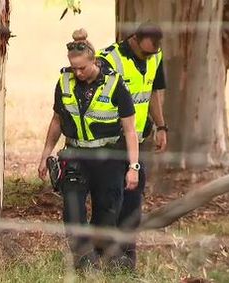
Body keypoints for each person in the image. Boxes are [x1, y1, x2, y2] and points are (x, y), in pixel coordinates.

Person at [38, 28, 141, 270]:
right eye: (74, 68)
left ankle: (106, 256)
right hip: (75, 155)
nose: (78, 72)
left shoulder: (115, 85)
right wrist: (46, 153)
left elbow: (130, 130)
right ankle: (85, 263)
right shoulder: (64, 81)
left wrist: (133, 167)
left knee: (107, 213)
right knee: (73, 213)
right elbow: (57, 120)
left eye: (82, 68)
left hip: (109, 159)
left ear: (94, 60)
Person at [97, 22, 168, 267]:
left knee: (133, 201)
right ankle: (103, 255)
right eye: (146, 52)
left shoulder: (155, 55)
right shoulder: (109, 59)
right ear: (134, 40)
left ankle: (127, 257)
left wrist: (161, 126)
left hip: (137, 141)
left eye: (153, 52)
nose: (150, 56)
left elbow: (154, 92)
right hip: (111, 141)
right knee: (109, 199)